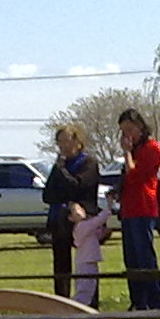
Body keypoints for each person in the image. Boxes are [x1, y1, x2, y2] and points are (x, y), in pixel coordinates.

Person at [43, 123, 103, 300]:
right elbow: (47, 194)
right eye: (59, 142)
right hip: (60, 220)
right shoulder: (60, 165)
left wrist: (62, 174)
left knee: (85, 262)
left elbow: (78, 186)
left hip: (82, 220)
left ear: (77, 141)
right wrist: (64, 195)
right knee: (61, 262)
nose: (62, 146)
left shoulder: (89, 163)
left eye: (66, 141)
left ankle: (89, 300)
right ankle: (61, 299)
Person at [115, 107, 160, 312]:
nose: (127, 135)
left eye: (130, 129)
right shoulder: (134, 151)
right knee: (131, 258)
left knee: (145, 256)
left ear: (140, 127)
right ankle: (138, 301)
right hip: (129, 208)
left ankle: (155, 301)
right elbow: (127, 178)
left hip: (144, 207)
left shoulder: (151, 148)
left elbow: (136, 175)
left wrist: (127, 153)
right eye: (123, 131)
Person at [70, 182, 114, 309]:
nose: (79, 212)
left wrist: (105, 232)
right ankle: (78, 308)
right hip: (85, 262)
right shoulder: (81, 227)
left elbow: (96, 235)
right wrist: (109, 207)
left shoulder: (85, 227)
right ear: (70, 218)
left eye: (79, 209)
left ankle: (82, 308)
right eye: (75, 211)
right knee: (85, 288)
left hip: (89, 260)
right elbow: (97, 222)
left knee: (89, 287)